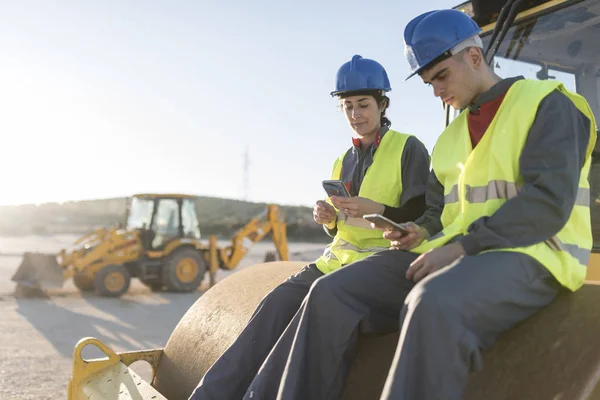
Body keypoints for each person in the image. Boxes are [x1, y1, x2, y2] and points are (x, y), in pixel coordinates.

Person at [238, 9, 598, 400]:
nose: (436, 91)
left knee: (432, 304)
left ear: (474, 57)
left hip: (535, 252)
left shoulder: (550, 103)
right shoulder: (451, 137)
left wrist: (461, 247)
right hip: (462, 251)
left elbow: (547, 202)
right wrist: (420, 231)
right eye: (429, 83)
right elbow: (440, 212)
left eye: (441, 76)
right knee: (330, 292)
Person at [188, 54, 431, 400]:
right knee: (276, 303)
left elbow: (421, 214)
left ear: (383, 104)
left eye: (363, 105)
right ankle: (208, 395)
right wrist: (329, 220)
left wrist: (378, 209)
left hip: (381, 263)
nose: (355, 114)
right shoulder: (341, 160)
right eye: (347, 106)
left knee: (312, 311)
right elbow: (342, 228)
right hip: (334, 263)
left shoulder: (409, 148)